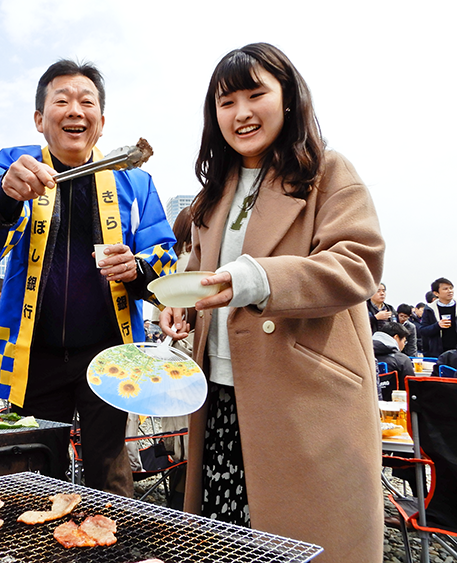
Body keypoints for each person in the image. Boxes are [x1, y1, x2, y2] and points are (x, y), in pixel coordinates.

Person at [160, 43, 384, 562]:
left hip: (301, 395)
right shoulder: (214, 191)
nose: (241, 113)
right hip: (219, 395)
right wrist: (181, 303)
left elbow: (357, 265)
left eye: (256, 94)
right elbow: (202, 271)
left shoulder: (328, 171)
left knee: (298, 536)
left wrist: (259, 278)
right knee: (225, 536)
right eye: (226, 101)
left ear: (288, 98)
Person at [0, 59, 177, 496]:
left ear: (101, 121)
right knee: (30, 462)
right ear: (40, 119)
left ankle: (115, 549)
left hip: (108, 352)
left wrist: (137, 268)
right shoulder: (15, 169)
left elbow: (164, 259)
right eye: (61, 100)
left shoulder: (133, 179)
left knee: (110, 466)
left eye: (87, 101)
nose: (75, 110)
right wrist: (2, 195)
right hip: (30, 351)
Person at [420, 277, 457, 358]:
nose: (450, 291)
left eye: (451, 288)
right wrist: (437, 325)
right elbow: (423, 330)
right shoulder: (430, 309)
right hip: (437, 353)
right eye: (445, 289)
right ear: (436, 293)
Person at [373, 321, 415, 392]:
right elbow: (412, 388)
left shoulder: (363, 353)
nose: (404, 345)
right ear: (396, 337)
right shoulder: (401, 359)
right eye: (404, 341)